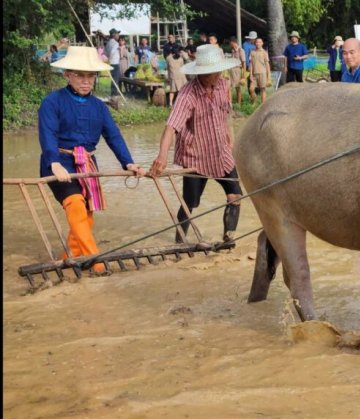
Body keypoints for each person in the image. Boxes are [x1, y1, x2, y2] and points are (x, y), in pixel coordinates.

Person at [40, 47, 145, 273]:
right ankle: (95, 262)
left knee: (86, 215)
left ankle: (68, 258)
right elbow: (47, 133)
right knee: (75, 204)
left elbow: (113, 136)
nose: (86, 81)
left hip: (87, 163)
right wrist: (54, 163)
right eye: (80, 75)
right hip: (59, 160)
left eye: (90, 76)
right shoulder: (52, 102)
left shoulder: (99, 107)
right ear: (67, 74)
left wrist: (128, 162)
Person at [148, 45, 243, 245]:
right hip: (195, 156)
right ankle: (179, 243)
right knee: (189, 203)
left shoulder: (223, 86)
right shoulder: (187, 94)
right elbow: (171, 128)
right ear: (201, 73)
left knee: (235, 196)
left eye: (218, 71)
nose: (216, 76)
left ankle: (228, 241)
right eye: (211, 73)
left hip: (221, 153)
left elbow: (227, 117)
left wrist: (231, 143)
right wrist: (162, 156)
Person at [249, 37, 271, 104]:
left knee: (263, 90)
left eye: (259, 42)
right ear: (255, 43)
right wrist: (250, 75)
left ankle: (263, 105)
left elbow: (267, 65)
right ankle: (254, 102)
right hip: (254, 74)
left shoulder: (264, 52)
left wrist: (268, 77)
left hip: (262, 73)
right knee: (251, 89)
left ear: (262, 43)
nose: (258, 43)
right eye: (256, 42)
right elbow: (251, 64)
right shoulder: (252, 52)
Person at [228, 36, 246, 105]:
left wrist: (243, 75)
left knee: (237, 88)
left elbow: (243, 63)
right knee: (230, 87)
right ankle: (231, 103)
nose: (229, 45)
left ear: (233, 42)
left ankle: (239, 104)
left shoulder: (241, 50)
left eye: (230, 43)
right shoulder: (233, 51)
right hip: (232, 70)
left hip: (237, 70)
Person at [106, 28, 121, 96]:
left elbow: (106, 52)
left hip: (111, 63)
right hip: (115, 63)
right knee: (115, 79)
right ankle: (114, 94)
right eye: (117, 34)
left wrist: (109, 59)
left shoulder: (108, 43)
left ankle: (113, 93)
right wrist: (111, 58)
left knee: (113, 79)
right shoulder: (115, 43)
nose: (118, 35)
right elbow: (112, 52)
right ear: (113, 34)